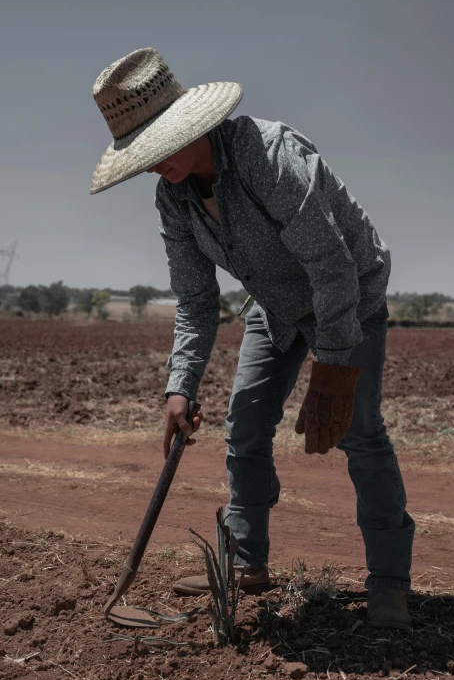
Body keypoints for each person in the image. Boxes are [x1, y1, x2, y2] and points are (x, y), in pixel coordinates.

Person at [91, 48, 415, 629]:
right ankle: (247, 561)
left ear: (188, 123)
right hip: (276, 304)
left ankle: (389, 583)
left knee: (359, 432)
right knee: (244, 424)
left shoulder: (267, 155)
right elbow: (195, 300)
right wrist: (179, 387)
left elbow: (332, 264)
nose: (150, 165)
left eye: (156, 146)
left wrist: (336, 369)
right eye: (139, 155)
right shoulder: (174, 196)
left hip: (347, 296)